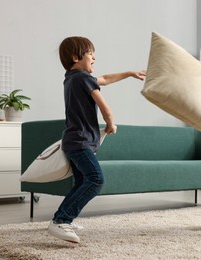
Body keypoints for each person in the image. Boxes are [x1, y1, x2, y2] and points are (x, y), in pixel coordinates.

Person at [48, 36, 146, 243]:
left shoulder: (72, 78)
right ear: (76, 57)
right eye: (90, 53)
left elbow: (106, 79)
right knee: (96, 179)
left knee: (82, 181)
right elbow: (104, 105)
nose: (94, 57)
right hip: (81, 142)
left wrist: (129, 73)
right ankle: (61, 220)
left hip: (73, 141)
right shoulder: (83, 78)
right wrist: (110, 123)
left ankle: (65, 218)